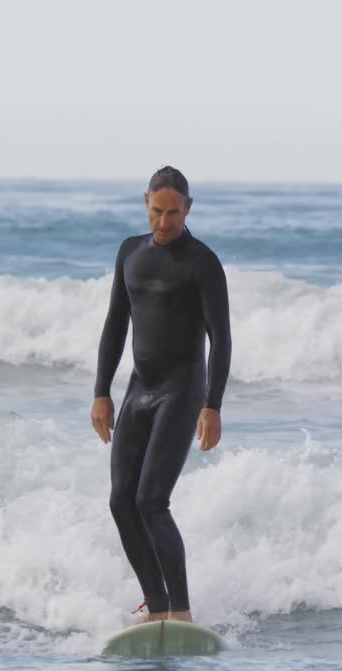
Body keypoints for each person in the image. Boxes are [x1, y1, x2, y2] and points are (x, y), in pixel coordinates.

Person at [90, 166, 232, 625]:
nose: (164, 223)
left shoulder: (202, 262)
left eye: (174, 213)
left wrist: (212, 405)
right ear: (145, 204)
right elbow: (115, 324)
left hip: (181, 390)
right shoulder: (129, 252)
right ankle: (158, 608)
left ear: (188, 209)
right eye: (157, 212)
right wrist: (101, 392)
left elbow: (221, 338)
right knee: (120, 502)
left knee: (152, 500)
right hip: (140, 389)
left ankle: (182, 613)